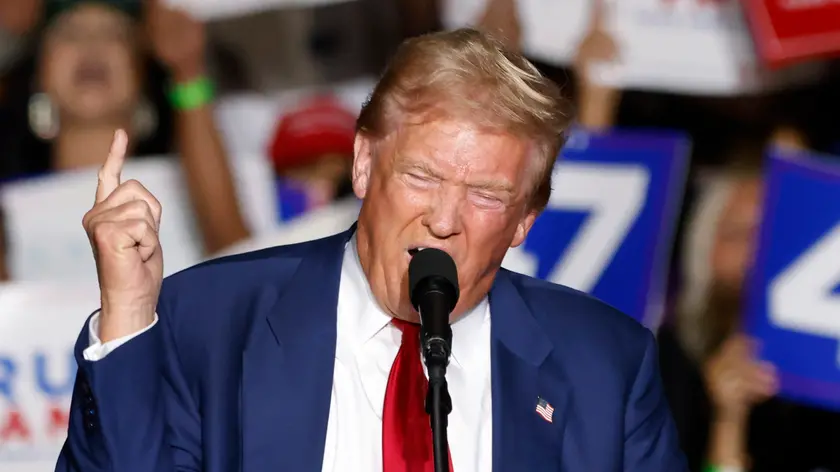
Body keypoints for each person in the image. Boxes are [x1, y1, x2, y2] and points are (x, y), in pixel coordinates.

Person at [57, 28, 686, 471]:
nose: (444, 220)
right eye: (421, 177)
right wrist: (129, 317)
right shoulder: (213, 320)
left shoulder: (606, 366)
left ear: (524, 220)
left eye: (488, 196)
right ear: (363, 165)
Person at [0, 0, 248, 280]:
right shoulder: (10, 205)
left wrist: (187, 73)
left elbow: (240, 262)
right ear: (39, 76)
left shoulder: (192, 191)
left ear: (141, 76)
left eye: (114, 35)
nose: (91, 46)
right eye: (70, 33)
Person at [658, 150, 840, 472]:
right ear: (704, 249)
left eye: (773, 233)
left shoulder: (821, 369)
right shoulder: (662, 366)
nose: (758, 246)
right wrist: (728, 422)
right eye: (739, 232)